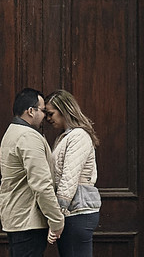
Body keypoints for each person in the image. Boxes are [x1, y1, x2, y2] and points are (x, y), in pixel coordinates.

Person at [0, 87, 65, 257]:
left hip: (17, 218)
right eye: (43, 111)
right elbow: (41, 184)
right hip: (28, 221)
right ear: (30, 111)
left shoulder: (11, 132)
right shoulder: (28, 136)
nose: (45, 116)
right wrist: (57, 220)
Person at [44, 90, 101, 257]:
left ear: (64, 110)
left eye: (51, 114)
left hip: (77, 212)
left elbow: (68, 179)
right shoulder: (65, 137)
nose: (48, 119)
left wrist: (57, 217)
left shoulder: (78, 136)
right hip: (72, 212)